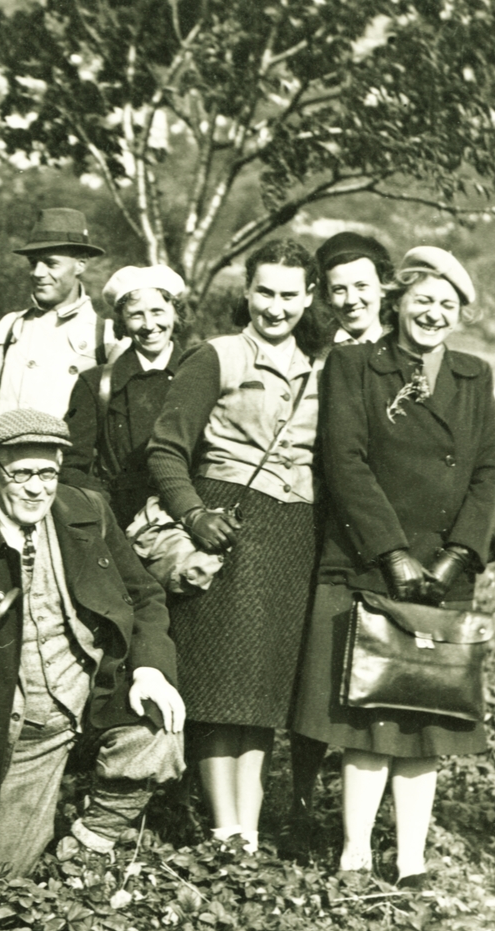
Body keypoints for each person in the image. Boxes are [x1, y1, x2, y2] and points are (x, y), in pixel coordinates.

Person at [294, 248, 495, 888]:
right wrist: (392, 552)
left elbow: (489, 472)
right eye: (422, 301)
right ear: (397, 303)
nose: (433, 314)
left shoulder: (473, 375)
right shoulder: (355, 363)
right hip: (372, 564)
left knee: (425, 722)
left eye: (447, 305)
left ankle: (411, 859)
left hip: (444, 573)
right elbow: (345, 460)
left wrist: (457, 555)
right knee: (371, 713)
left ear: (460, 315)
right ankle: (356, 850)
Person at [0, 409, 186, 873]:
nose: (37, 488)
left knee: (161, 731)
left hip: (94, 695)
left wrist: (150, 670)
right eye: (22, 474)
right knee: (2, 874)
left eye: (48, 472)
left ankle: (88, 845)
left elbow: (144, 595)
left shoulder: (86, 511)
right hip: (22, 725)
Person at [146, 240, 321, 854]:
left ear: (309, 297)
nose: (276, 307)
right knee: (221, 690)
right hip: (230, 526)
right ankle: (227, 831)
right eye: (265, 292)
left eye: (289, 295)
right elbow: (166, 448)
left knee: (260, 694)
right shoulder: (215, 356)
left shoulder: (320, 368)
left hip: (293, 536)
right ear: (246, 292)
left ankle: (246, 829)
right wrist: (194, 516)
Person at [62, 263, 188, 528]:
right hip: (119, 522)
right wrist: (104, 508)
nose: (149, 325)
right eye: (136, 315)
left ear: (176, 314)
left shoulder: (197, 375)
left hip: (186, 521)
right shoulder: (95, 383)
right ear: (122, 321)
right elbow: (71, 466)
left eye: (158, 312)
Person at [0, 208, 104, 427]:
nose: (38, 273)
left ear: (80, 264)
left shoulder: (103, 335)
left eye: (51, 263)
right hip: (11, 458)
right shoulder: (11, 327)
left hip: (68, 460)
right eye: (33, 263)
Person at [316, 232, 392, 346]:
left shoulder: (401, 346)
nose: (351, 300)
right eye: (339, 289)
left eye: (361, 286)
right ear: (327, 295)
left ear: (383, 286)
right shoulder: (313, 352)